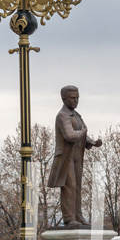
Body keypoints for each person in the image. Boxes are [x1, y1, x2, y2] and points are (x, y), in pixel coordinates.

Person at [48, 85, 102, 228]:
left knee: (77, 186)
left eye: (77, 98)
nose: (76, 101)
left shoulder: (77, 116)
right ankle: (69, 218)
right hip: (66, 158)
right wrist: (83, 133)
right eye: (73, 98)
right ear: (64, 98)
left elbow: (82, 133)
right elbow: (70, 135)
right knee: (69, 186)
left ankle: (78, 216)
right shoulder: (62, 116)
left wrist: (93, 142)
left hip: (77, 156)